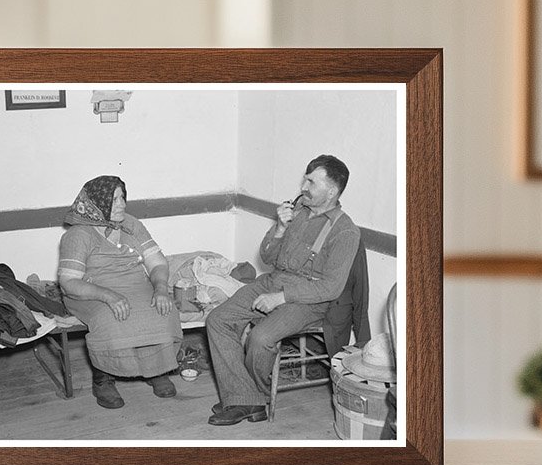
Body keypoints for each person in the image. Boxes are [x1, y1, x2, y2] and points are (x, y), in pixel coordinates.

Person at [204, 155, 361, 426]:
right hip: (273, 281)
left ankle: (251, 399)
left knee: (262, 337)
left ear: (332, 191)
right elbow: (267, 258)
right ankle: (246, 397)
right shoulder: (298, 213)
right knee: (217, 320)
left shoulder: (345, 232)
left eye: (312, 182)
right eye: (305, 179)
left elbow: (331, 287)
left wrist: (282, 298)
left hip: (309, 299)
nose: (304, 186)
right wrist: (279, 228)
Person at [58, 175, 181, 409]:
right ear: (96, 204)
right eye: (114, 200)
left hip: (134, 283)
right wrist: (108, 295)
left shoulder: (131, 224)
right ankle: (103, 378)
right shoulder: (78, 235)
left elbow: (156, 262)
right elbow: (69, 282)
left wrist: (161, 288)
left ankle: (156, 369)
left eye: (123, 197)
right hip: (90, 290)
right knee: (111, 318)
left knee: (163, 310)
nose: (122, 204)